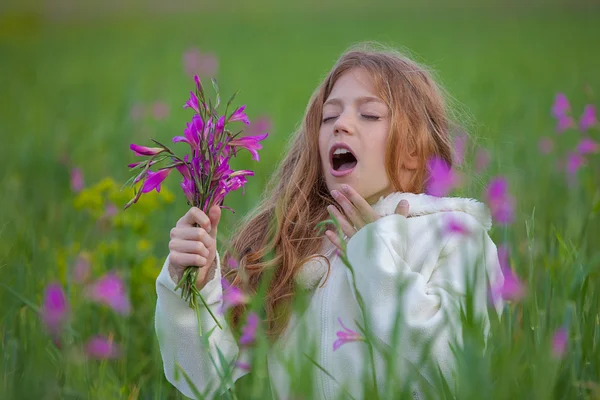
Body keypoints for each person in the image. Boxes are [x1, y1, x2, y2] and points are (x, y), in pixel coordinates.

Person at [155, 43, 504, 399]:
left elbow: (454, 372)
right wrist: (193, 288)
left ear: (413, 152)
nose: (341, 125)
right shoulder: (294, 245)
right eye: (328, 117)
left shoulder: (455, 238)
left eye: (369, 115)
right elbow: (201, 379)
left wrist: (373, 254)